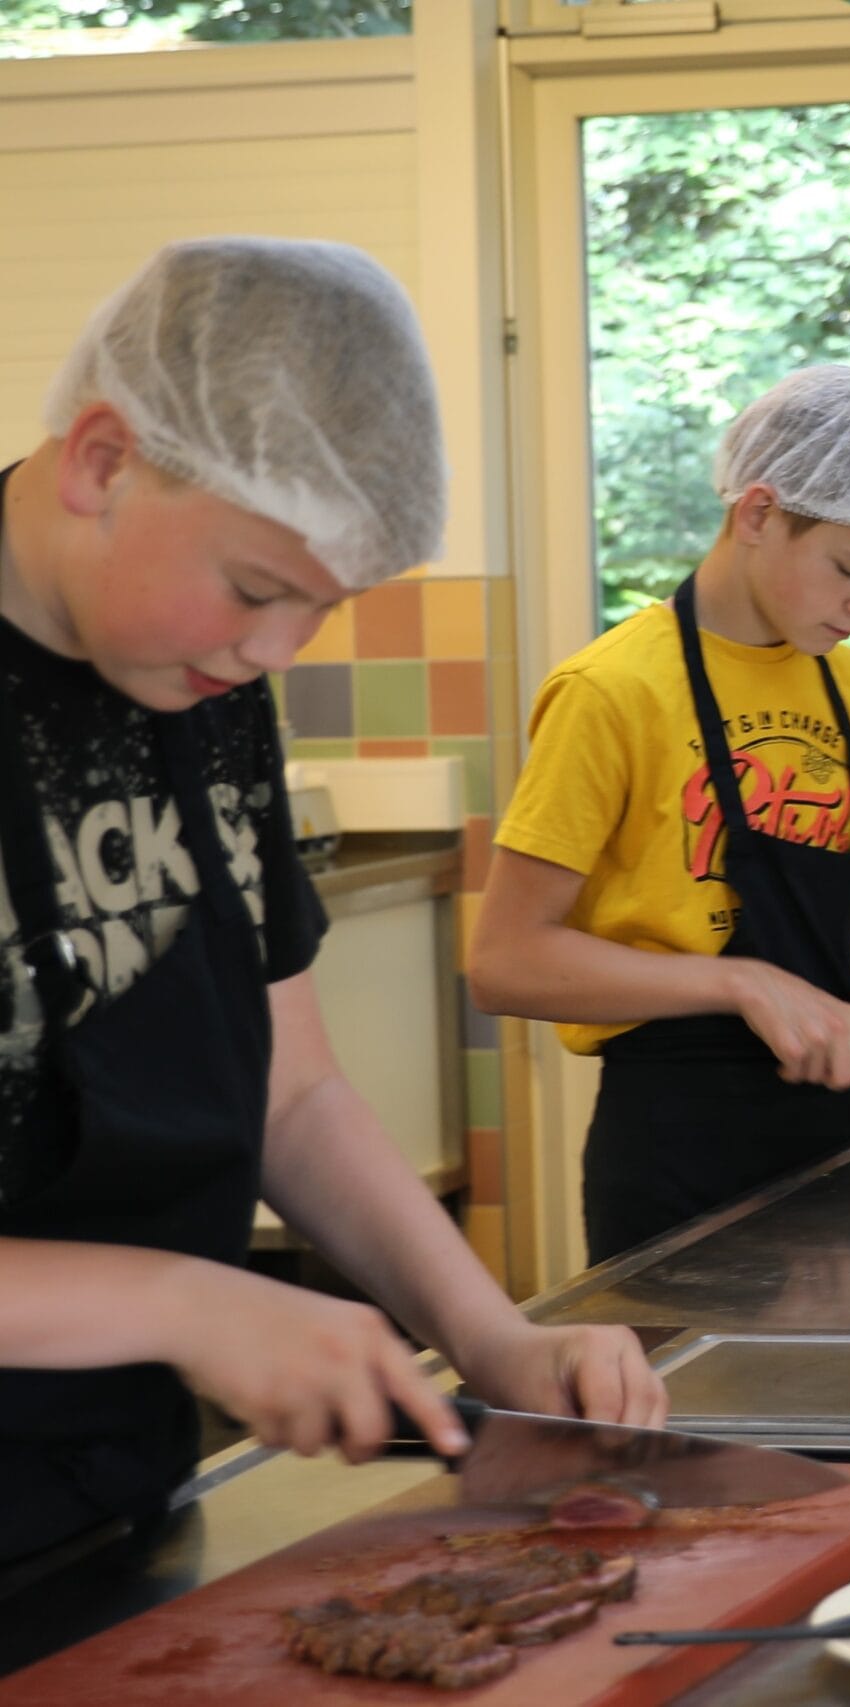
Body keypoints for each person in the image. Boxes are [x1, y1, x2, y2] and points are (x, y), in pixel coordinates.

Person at [0, 238, 662, 1573]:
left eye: (320, 609)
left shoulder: (200, 680)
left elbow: (292, 1091)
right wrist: (184, 1301)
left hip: (109, 1487)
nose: (270, 652)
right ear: (102, 462)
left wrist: (493, 1338)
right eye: (255, 589)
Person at [471, 366, 850, 1263]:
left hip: (846, 1142)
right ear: (756, 514)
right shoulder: (611, 691)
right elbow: (505, 962)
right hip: (678, 1154)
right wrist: (742, 982)